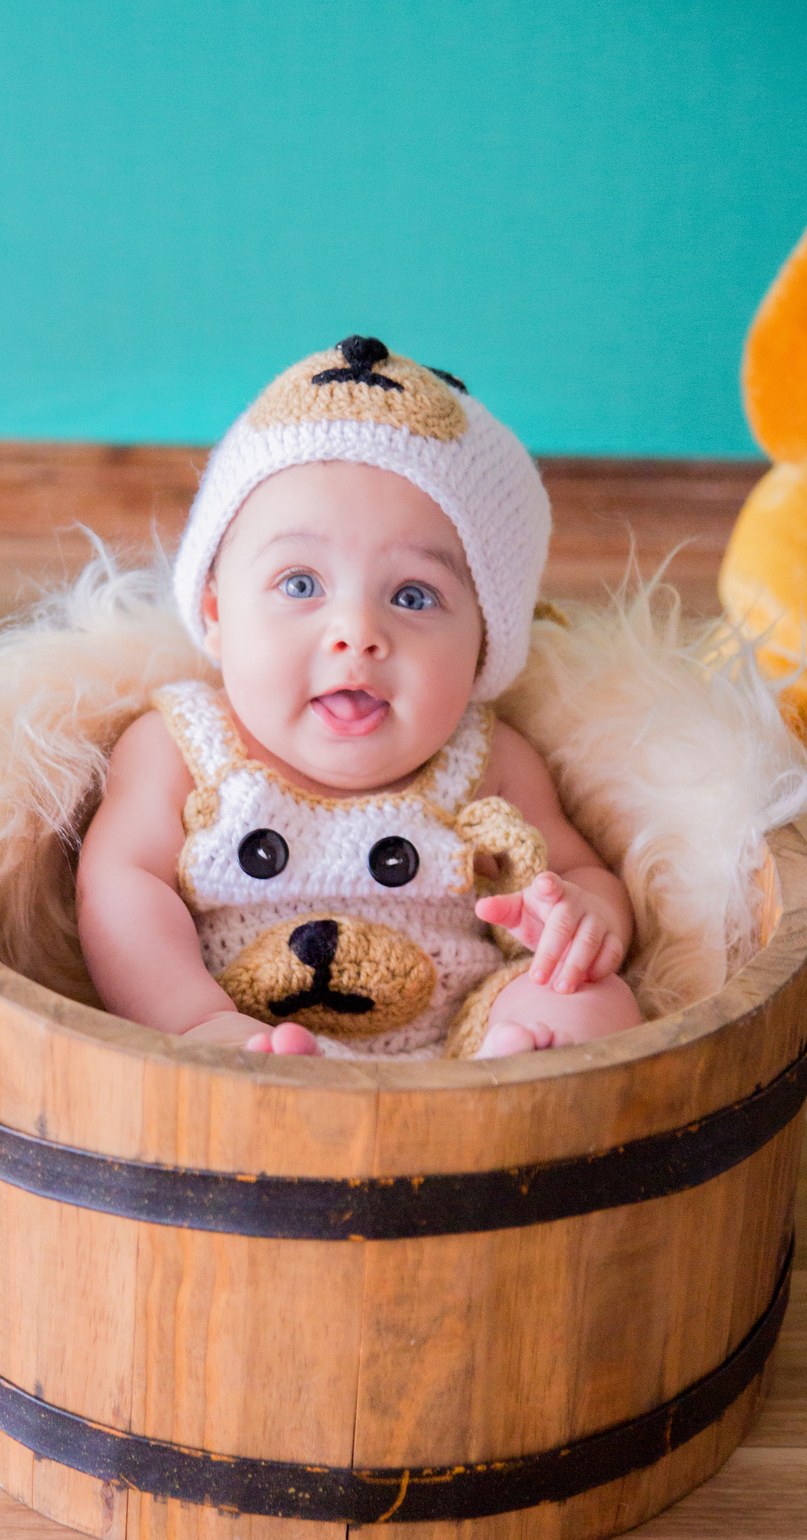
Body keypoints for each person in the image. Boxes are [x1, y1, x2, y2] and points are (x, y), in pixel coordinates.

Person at [77, 336, 641, 1059]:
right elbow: (120, 886)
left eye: (413, 595)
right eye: (301, 584)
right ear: (217, 615)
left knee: (596, 999)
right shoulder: (181, 745)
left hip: (458, 1045)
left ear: (482, 650)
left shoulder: (490, 760)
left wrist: (584, 919)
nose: (357, 634)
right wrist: (195, 1021)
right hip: (245, 1036)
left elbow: (581, 872)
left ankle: (511, 1085)